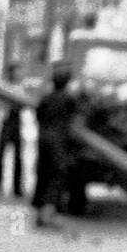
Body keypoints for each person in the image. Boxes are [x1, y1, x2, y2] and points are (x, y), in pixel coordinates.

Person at [31, 62, 79, 228]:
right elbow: (74, 121)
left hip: (43, 139)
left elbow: (38, 117)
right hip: (58, 142)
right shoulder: (69, 99)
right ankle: (46, 215)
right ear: (67, 81)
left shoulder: (46, 98)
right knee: (57, 176)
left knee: (42, 174)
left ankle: (40, 213)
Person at [0, 63, 24, 198]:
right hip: (6, 121)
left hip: (17, 123)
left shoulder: (20, 88)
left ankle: (17, 188)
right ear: (11, 73)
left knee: (18, 157)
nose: (20, 74)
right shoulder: (4, 87)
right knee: (1, 155)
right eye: (17, 71)